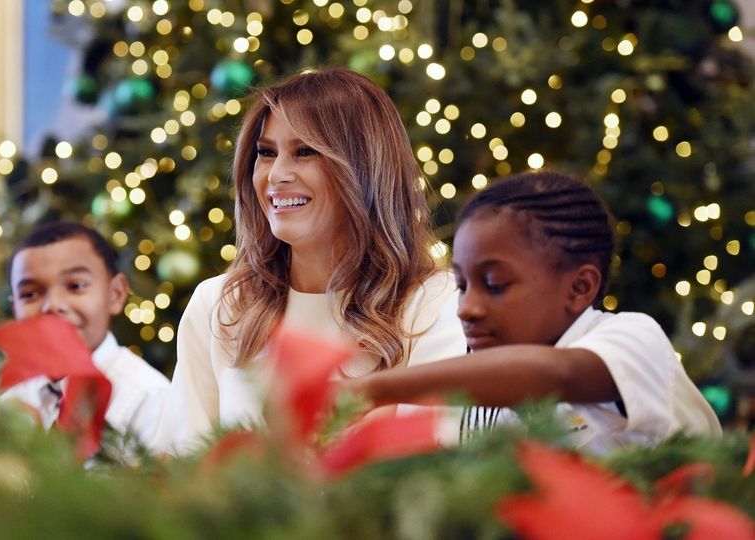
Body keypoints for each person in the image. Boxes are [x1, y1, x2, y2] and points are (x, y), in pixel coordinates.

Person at [150, 67, 466, 454]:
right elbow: (183, 470)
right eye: (266, 153)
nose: (277, 174)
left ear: (365, 169)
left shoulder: (436, 303)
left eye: (305, 152)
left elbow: (434, 472)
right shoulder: (219, 305)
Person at [345, 171, 721, 454]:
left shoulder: (631, 338)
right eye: (462, 286)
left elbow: (557, 373)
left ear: (579, 287)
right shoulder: (473, 385)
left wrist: (368, 389)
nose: (467, 308)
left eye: (495, 284)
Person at [0, 221, 169, 449]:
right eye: (30, 294)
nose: (53, 305)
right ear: (14, 309)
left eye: (76, 286)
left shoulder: (148, 398)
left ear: (115, 294)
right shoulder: (13, 401)